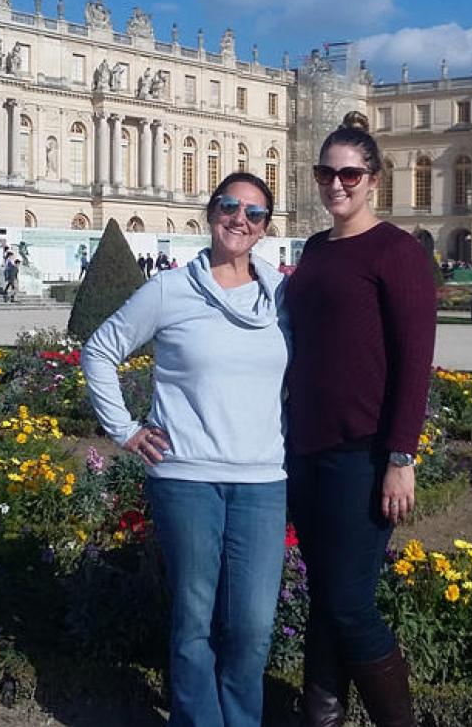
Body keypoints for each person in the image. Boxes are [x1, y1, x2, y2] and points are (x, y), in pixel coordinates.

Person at [82, 172, 288, 727]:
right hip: (186, 478)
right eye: (230, 206)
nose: (240, 219)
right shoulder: (170, 290)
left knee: (252, 624)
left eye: (254, 213)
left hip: (264, 480)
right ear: (210, 211)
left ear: (266, 227)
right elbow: (100, 350)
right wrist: (125, 429)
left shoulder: (281, 296)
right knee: (195, 618)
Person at [284, 113, 436, 727]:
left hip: (364, 449)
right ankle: (321, 717)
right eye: (326, 172)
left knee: (349, 604)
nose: (336, 184)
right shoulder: (317, 249)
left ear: (373, 179)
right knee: (323, 594)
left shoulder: (396, 250)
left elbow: (414, 360)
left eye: (349, 173)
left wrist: (402, 458)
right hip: (307, 447)